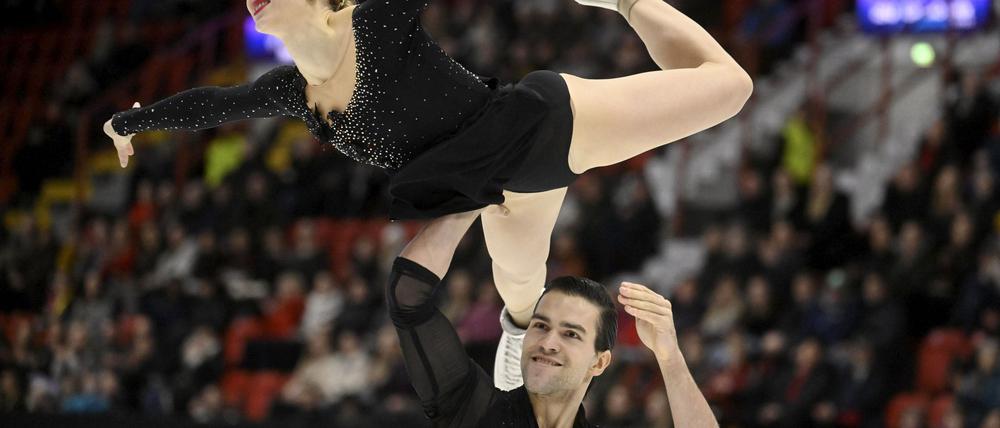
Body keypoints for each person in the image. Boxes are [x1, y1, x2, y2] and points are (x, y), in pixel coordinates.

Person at [103, 0, 752, 390]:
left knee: (731, 87)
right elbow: (216, 103)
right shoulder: (291, 91)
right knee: (519, 288)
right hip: (492, 186)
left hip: (541, 125)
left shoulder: (371, 23)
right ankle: (516, 333)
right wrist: (130, 123)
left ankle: (629, 3)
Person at [383, 209, 718, 427]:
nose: (548, 342)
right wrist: (471, 200)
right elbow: (407, 296)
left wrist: (670, 358)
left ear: (599, 362)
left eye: (571, 334)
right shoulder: (474, 410)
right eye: (541, 325)